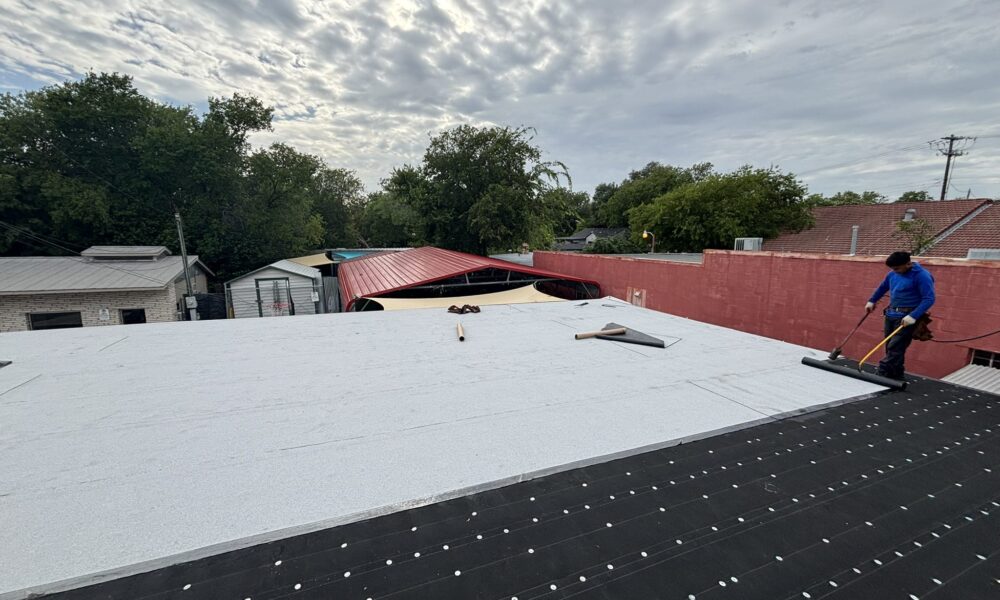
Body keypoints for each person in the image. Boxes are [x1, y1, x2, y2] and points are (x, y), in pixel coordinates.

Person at [865, 251, 935, 380]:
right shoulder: (893, 273)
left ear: (908, 264)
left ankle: (882, 372)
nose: (894, 271)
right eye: (892, 268)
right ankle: (896, 374)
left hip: (906, 317)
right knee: (890, 346)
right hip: (891, 314)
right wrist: (872, 301)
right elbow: (882, 287)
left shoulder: (922, 276)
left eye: (897, 268)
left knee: (895, 346)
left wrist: (913, 316)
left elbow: (929, 299)